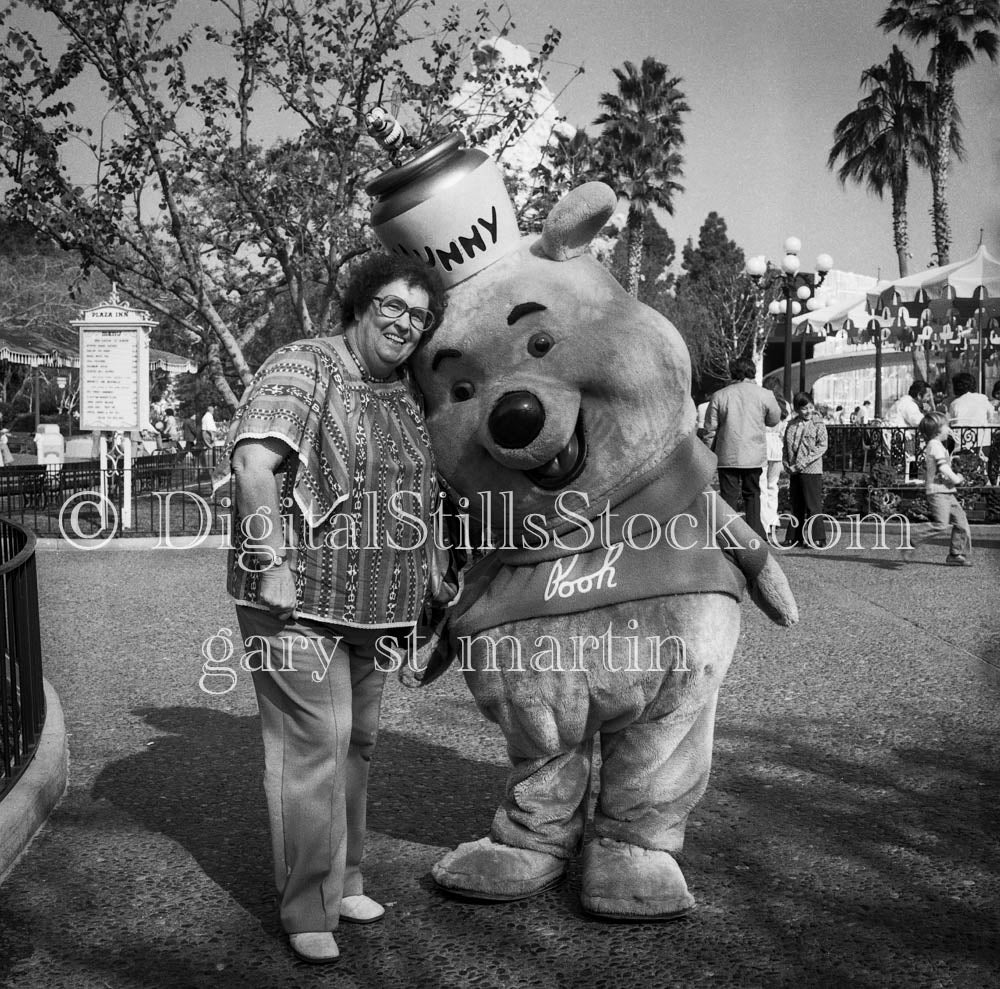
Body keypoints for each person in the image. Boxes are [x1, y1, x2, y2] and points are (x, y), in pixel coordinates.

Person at [222, 253, 451, 965]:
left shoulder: (407, 391)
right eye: (391, 305)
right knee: (314, 744)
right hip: (296, 600)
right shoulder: (304, 365)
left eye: (418, 315)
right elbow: (252, 464)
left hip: (379, 609)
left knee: (357, 745)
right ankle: (307, 906)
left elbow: (421, 490)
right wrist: (270, 561)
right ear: (359, 304)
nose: (404, 323)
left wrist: (434, 572)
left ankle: (344, 878)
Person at [701, 357, 780, 539]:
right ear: (752, 371)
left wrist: (708, 454)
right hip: (753, 454)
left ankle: (728, 535)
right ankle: (755, 533)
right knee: (752, 495)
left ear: (733, 372)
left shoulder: (720, 395)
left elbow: (709, 430)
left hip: (727, 455)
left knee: (728, 496)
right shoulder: (765, 394)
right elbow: (774, 419)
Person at [902, 412, 973, 566]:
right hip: (937, 491)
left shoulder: (938, 445)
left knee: (961, 523)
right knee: (941, 524)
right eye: (946, 426)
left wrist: (957, 446)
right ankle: (914, 537)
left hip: (947, 491)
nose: (949, 429)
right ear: (937, 430)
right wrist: (956, 479)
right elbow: (943, 467)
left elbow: (945, 463)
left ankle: (955, 554)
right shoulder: (934, 445)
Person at [782, 392, 829, 548]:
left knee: (812, 505)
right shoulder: (791, 424)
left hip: (811, 469)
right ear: (797, 409)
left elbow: (822, 446)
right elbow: (786, 445)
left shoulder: (818, 424)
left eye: (810, 407)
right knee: (796, 504)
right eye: (804, 408)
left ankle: (817, 537)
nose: (808, 411)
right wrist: (786, 463)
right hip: (794, 469)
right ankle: (795, 536)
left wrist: (802, 463)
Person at [760, 387, 790, 540]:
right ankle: (773, 519)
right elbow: (785, 432)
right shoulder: (784, 406)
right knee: (773, 486)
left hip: (761, 448)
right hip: (777, 448)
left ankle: (764, 523)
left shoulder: (763, 403)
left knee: (762, 487)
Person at [947, 372, 992, 451]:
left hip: (961, 445)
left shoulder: (955, 404)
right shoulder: (982, 399)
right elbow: (990, 416)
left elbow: (951, 423)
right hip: (983, 443)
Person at [199, 404, 218, 470]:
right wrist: (212, 435)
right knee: (210, 449)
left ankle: (209, 466)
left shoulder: (207, 416)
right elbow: (209, 427)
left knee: (209, 450)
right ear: (211, 410)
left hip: (207, 433)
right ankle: (210, 467)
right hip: (208, 434)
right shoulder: (208, 416)